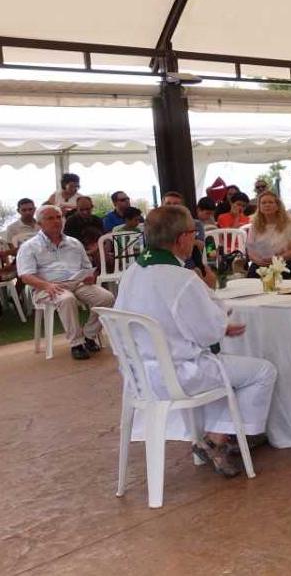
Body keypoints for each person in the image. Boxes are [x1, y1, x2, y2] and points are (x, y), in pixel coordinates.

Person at [114, 204, 276, 477]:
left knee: (221, 368)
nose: (196, 238)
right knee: (261, 371)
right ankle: (218, 438)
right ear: (181, 239)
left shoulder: (131, 273)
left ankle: (217, 435)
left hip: (138, 376)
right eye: (193, 232)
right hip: (178, 376)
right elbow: (208, 333)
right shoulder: (180, 278)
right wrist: (221, 324)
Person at [16, 205, 114, 360]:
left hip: (78, 283)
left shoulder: (74, 243)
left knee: (106, 298)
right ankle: (76, 343)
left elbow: (87, 267)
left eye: (58, 217)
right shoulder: (29, 246)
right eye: (50, 218)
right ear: (40, 223)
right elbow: (25, 276)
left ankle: (89, 335)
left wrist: (90, 276)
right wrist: (47, 285)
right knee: (67, 298)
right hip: (47, 287)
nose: (56, 221)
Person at [245, 192, 291, 278]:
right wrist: (258, 260)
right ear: (259, 207)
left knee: (276, 274)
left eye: (270, 202)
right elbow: (251, 251)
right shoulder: (255, 226)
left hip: (285, 261)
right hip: (262, 262)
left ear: (277, 206)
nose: (267, 205)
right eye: (263, 203)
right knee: (251, 276)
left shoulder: (288, 224)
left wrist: (276, 259)